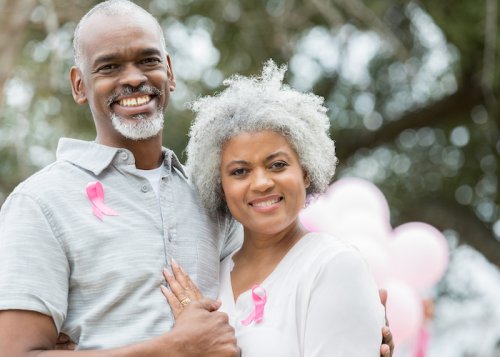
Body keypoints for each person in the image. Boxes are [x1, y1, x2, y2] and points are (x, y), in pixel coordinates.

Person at [0, 0, 393, 356]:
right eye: (109, 66)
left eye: (148, 60)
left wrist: (349, 321)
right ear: (79, 84)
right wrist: (174, 349)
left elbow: (270, 308)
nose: (134, 78)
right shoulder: (40, 203)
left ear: (169, 71)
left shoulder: (213, 199)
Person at [161, 60, 387, 356]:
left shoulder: (333, 266)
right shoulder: (211, 277)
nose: (261, 183)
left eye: (277, 165)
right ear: (221, 186)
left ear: (305, 170)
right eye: (240, 172)